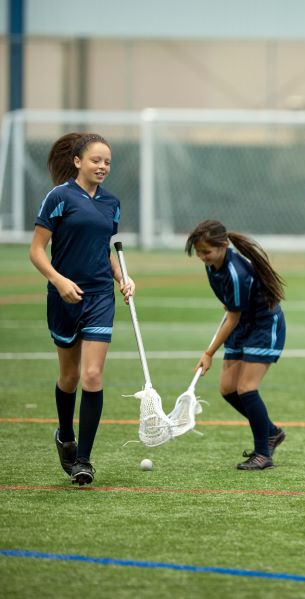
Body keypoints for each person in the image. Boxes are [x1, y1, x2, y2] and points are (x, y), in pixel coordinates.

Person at [29, 133, 135, 486]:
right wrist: (59, 281)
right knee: (69, 377)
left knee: (92, 376)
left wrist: (123, 277)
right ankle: (64, 435)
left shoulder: (112, 204)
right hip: (63, 296)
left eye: (107, 162)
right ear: (77, 161)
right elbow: (37, 251)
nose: (103, 166)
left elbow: (104, 249)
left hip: (100, 298)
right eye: (96, 160)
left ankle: (84, 461)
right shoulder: (58, 198)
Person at [185, 220, 287, 470]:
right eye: (198, 252)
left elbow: (233, 316)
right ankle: (271, 431)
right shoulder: (212, 266)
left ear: (223, 246)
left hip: (263, 325)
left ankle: (263, 453)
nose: (202, 257)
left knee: (246, 389)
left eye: (206, 251)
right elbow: (231, 308)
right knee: (228, 389)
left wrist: (209, 353)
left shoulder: (236, 272)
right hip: (243, 324)